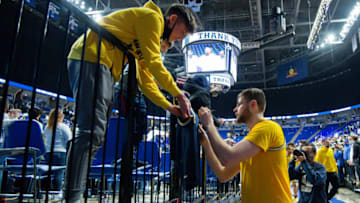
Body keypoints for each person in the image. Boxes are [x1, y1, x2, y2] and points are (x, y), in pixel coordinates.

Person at [65, 1, 198, 201]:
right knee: (90, 132)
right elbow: (154, 63)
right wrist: (178, 94)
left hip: (105, 66)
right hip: (92, 57)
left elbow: (146, 81)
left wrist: (170, 106)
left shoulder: (146, 36)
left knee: (95, 134)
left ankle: (73, 193)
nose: (180, 39)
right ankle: (71, 196)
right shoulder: (152, 18)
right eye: (182, 31)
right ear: (172, 20)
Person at [198, 88, 292, 202]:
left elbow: (229, 158)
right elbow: (223, 175)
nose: (235, 109)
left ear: (253, 104)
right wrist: (206, 144)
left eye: (239, 105)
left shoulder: (268, 128)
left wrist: (210, 125)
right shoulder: (252, 144)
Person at [43, 109, 71, 198]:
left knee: (48, 173)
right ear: (61, 117)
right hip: (60, 152)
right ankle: (57, 193)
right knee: (59, 173)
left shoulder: (47, 127)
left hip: (48, 152)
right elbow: (70, 139)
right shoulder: (63, 126)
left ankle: (47, 193)